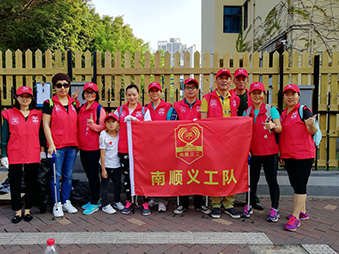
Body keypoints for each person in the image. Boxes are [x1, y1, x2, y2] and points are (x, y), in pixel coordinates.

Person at [200, 68, 241, 219]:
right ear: (215, 81)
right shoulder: (208, 98)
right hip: (213, 142)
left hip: (231, 142)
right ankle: (216, 204)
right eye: (221, 78)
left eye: (226, 78)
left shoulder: (235, 99)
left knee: (231, 172)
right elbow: (203, 122)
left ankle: (229, 204)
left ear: (230, 82)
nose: (224, 81)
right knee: (215, 172)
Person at [1, 86, 45, 223]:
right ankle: (17, 211)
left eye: (28, 96)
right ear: (17, 97)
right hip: (14, 154)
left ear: (32, 98)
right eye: (22, 96)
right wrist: (3, 154)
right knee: (14, 183)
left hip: (33, 153)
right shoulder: (9, 114)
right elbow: (4, 136)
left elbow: (41, 135)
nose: (25, 99)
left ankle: (27, 210)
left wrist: (42, 151)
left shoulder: (38, 115)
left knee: (30, 183)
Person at [242, 82, 282, 222]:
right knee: (252, 181)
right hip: (254, 153)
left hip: (270, 152)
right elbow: (244, 134)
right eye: (254, 93)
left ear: (264, 95)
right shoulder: (246, 112)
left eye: (260, 93)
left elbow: (279, 128)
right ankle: (249, 204)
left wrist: (273, 125)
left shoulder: (271, 110)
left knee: (272, 180)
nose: (257, 96)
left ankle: (274, 208)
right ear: (250, 95)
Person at [280, 84, 317, 232]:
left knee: (300, 186)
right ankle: (303, 211)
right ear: (284, 97)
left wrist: (312, 125)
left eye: (293, 94)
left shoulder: (304, 111)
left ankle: (295, 217)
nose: (290, 97)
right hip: (288, 155)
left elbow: (312, 131)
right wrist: (282, 154)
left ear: (298, 96)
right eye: (287, 94)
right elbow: (284, 135)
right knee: (296, 184)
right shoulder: (283, 114)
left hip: (304, 155)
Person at [172, 78, 211, 215]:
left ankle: (199, 203)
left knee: (199, 173)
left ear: (197, 90)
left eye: (193, 87)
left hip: (200, 145)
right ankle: (183, 203)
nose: (190, 90)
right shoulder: (176, 105)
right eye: (187, 87)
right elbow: (171, 123)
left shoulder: (203, 104)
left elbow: (209, 123)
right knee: (182, 173)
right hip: (181, 146)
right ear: (184, 90)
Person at [42, 73, 79, 218]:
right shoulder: (49, 103)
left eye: (65, 85)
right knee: (55, 176)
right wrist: (50, 143)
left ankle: (65, 200)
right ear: (55, 87)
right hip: (57, 146)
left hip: (72, 145)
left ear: (69, 86)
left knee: (68, 175)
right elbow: (45, 124)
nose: (62, 88)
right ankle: (56, 203)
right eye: (59, 85)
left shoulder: (74, 103)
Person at [114, 84, 152, 216]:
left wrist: (137, 122)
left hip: (140, 150)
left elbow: (149, 129)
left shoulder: (144, 111)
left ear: (139, 96)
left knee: (143, 175)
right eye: (129, 95)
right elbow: (112, 127)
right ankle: (130, 201)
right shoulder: (119, 110)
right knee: (127, 176)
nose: (132, 97)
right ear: (125, 96)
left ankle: (145, 202)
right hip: (124, 148)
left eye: (134, 95)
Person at [230, 68, 263, 210]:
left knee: (252, 169)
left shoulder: (252, 97)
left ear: (247, 80)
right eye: (238, 78)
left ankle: (252, 197)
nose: (241, 81)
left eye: (244, 79)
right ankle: (228, 196)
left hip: (249, 136)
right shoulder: (229, 96)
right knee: (231, 167)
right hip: (231, 136)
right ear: (234, 80)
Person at [77, 82, 107, 215]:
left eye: (92, 93)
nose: (89, 95)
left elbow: (104, 127)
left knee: (94, 175)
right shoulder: (81, 108)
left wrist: (93, 126)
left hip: (94, 148)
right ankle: (94, 198)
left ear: (96, 95)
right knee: (89, 175)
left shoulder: (99, 109)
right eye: (87, 93)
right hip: (82, 147)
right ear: (83, 95)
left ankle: (95, 201)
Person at [145, 82, 173, 212]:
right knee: (152, 171)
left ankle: (163, 199)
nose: (154, 93)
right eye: (152, 91)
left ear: (161, 92)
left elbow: (171, 126)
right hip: (150, 145)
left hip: (164, 145)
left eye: (157, 91)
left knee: (164, 171)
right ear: (149, 93)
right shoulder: (145, 108)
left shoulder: (168, 107)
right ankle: (153, 196)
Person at [99, 113, 124, 214]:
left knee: (117, 184)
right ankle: (105, 204)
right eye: (108, 122)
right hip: (107, 164)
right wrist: (103, 168)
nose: (111, 124)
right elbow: (102, 153)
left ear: (117, 123)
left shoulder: (120, 133)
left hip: (117, 164)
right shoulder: (103, 135)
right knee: (105, 185)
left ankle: (117, 201)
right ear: (105, 124)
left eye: (113, 122)